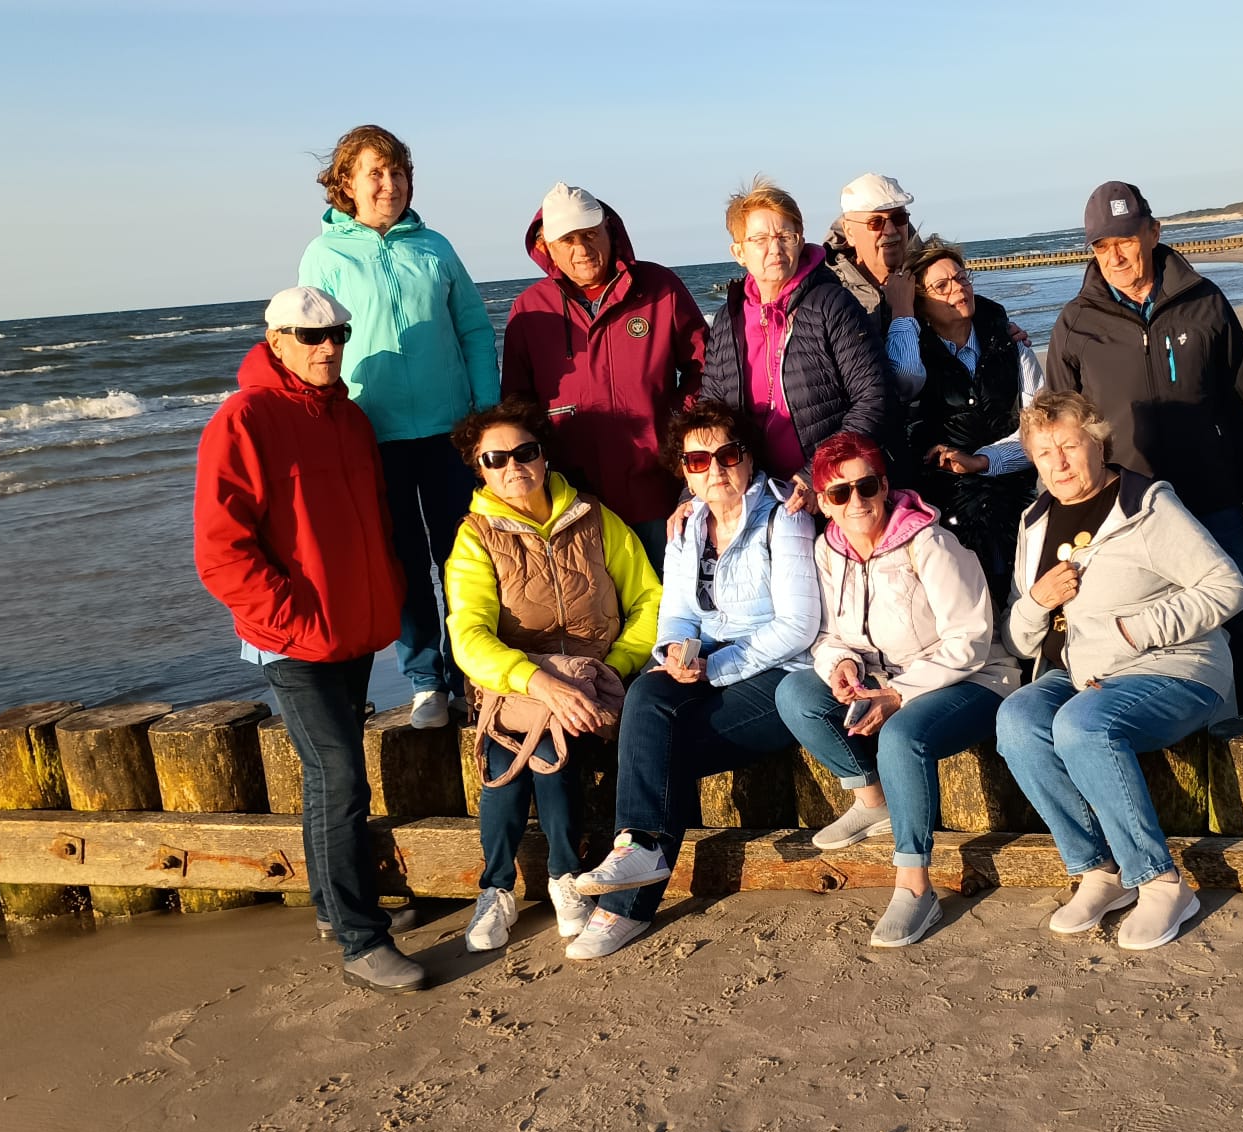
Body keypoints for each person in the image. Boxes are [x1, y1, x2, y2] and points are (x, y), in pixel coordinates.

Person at [194, 287, 424, 994]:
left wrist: (386, 591)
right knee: (340, 775)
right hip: (292, 640)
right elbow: (221, 549)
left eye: (338, 335)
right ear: (276, 341)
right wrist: (291, 619)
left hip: (351, 630)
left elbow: (375, 518)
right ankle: (361, 940)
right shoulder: (243, 419)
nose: (328, 348)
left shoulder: (349, 418)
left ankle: (333, 908)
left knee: (331, 774)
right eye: (310, 336)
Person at [569, 400, 821, 959]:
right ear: (684, 470)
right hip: (707, 664)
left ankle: (624, 906)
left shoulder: (785, 518)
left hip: (778, 673)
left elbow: (798, 626)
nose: (716, 470)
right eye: (699, 461)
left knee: (661, 750)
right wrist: (674, 654)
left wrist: (715, 667)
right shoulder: (686, 527)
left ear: (748, 458)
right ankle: (637, 852)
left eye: (727, 455)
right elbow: (678, 615)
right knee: (648, 690)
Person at [997, 390, 1243, 951]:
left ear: (1098, 443)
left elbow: (1227, 588)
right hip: (1079, 672)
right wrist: (1037, 602)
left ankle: (1161, 883)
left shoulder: (1147, 508)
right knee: (1016, 720)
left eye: (1069, 446)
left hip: (1173, 667)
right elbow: (1017, 637)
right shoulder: (1034, 521)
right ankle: (1099, 871)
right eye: (1044, 453)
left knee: (1082, 726)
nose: (1059, 463)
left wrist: (1134, 631)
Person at [1044, 180, 1243, 715]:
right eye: (1102, 246)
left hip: (1212, 498)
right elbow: (1059, 432)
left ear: (1153, 233)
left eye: (1126, 241)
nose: (1115, 256)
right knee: (1141, 632)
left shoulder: (1206, 303)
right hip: (1128, 515)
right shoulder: (1075, 323)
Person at [776, 432, 1019, 947]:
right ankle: (873, 801)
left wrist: (899, 693)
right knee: (796, 695)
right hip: (883, 679)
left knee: (902, 735)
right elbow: (827, 635)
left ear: (885, 487)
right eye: (840, 492)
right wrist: (841, 664)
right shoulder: (827, 550)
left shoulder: (929, 544)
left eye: (867, 486)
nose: (857, 501)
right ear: (823, 502)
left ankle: (914, 885)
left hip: (973, 678)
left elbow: (971, 640)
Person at [443, 394, 663, 954]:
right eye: (495, 459)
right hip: (518, 685)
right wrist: (538, 682)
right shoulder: (474, 538)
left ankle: (551, 877)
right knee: (526, 749)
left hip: (596, 677)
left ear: (543, 455)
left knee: (549, 741)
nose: (513, 466)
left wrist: (613, 666)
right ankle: (510, 886)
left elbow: (649, 599)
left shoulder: (594, 517)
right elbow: (468, 635)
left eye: (524, 452)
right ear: (479, 469)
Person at [299, 124, 500, 730]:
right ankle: (425, 681)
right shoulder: (324, 256)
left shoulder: (434, 246)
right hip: (372, 435)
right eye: (375, 173)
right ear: (346, 184)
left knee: (463, 556)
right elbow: (311, 349)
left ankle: (472, 675)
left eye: (398, 172)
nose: (389, 184)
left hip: (450, 431)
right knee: (402, 562)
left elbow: (474, 329)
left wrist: (486, 414)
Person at [499, 183, 709, 572]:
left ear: (609, 230)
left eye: (590, 234)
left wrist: (675, 418)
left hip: (656, 490)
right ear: (547, 247)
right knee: (595, 604)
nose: (582, 249)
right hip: (574, 501)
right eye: (567, 240)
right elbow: (516, 408)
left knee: (668, 599)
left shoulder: (660, 288)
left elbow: (705, 365)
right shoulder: (529, 311)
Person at [695, 179, 889, 513]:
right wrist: (693, 495)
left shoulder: (831, 304)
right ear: (739, 252)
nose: (775, 249)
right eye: (759, 239)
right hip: (756, 493)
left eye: (785, 236)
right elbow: (709, 413)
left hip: (836, 493)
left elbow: (873, 397)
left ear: (800, 241)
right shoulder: (729, 318)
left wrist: (817, 474)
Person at [885, 243, 1043, 610]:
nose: (958, 288)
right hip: (946, 510)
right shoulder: (916, 353)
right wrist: (903, 312)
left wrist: (983, 461)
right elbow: (904, 377)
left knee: (1026, 603)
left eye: (961, 277)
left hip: (1016, 501)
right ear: (922, 303)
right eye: (941, 286)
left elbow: (1040, 432)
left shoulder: (1011, 345)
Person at [823, 173, 921, 334]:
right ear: (849, 232)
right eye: (875, 222)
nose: (890, 230)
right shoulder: (827, 295)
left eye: (899, 218)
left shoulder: (934, 281)